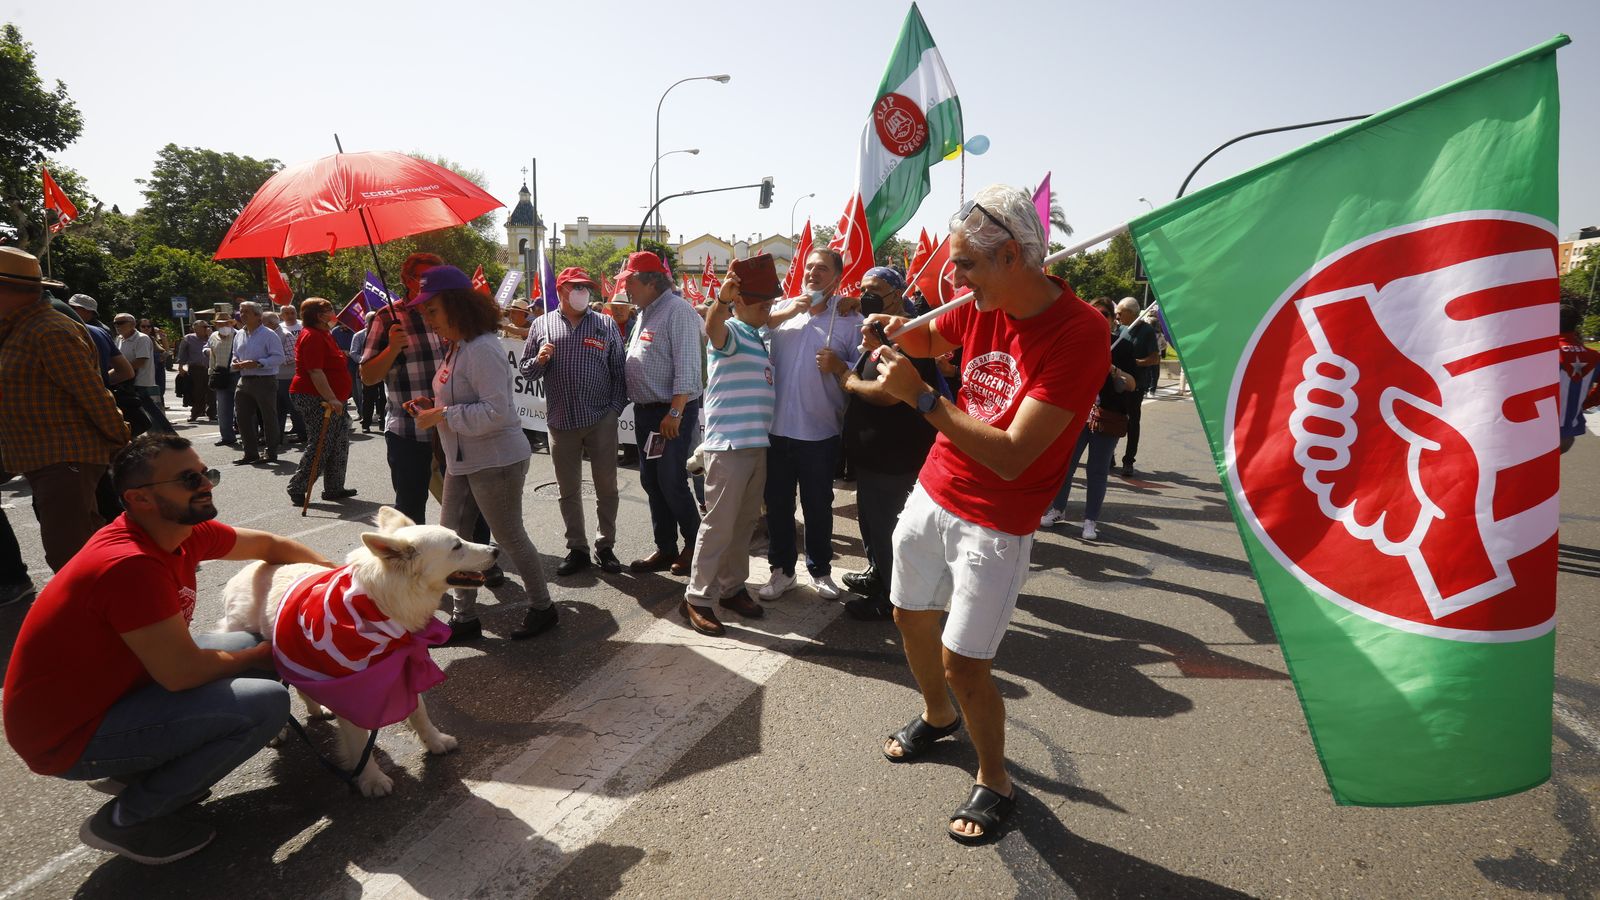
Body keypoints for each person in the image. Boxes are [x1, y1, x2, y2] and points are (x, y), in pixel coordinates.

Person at [865, 186, 1106, 844]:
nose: (956, 278)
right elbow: (924, 336)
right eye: (951, 266)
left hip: (997, 516)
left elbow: (1014, 458)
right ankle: (937, 716)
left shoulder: (1080, 332)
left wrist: (921, 401)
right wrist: (897, 323)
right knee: (907, 614)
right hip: (935, 487)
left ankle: (995, 778)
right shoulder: (977, 302)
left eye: (966, 264)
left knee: (964, 662)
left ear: (1009, 256)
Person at [2, 433, 331, 865]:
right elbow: (181, 674)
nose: (206, 485)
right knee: (266, 697)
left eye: (206, 473)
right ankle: (125, 819)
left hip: (112, 692)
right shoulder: (131, 564)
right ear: (140, 499)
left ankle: (137, 770)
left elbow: (272, 546)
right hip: (65, 736)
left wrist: (333, 583)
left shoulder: (181, 531)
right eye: (188, 478)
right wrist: (273, 653)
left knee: (249, 645)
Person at [409, 266, 558, 643]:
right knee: (453, 540)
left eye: (433, 311)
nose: (428, 319)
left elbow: (498, 413)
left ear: (458, 307)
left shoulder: (484, 349)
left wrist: (443, 414)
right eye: (425, 312)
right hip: (461, 460)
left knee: (509, 537)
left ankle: (543, 607)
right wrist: (435, 404)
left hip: (496, 460)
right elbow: (461, 399)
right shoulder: (457, 347)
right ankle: (465, 618)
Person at [820, 266, 940, 621]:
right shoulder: (880, 328)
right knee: (871, 521)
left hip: (895, 452)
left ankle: (890, 598)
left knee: (888, 526)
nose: (867, 294)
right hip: (870, 452)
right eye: (863, 288)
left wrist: (846, 377)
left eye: (876, 289)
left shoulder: (911, 334)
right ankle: (878, 574)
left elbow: (890, 394)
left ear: (897, 293)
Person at [0, 248, 131, 572]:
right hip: (48, 458)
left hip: (66, 459)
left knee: (70, 555)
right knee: (79, 548)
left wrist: (123, 444)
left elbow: (93, 396)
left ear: (8, 291)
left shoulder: (49, 330)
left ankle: (105, 615)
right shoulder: (21, 328)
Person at [757, 247, 864, 601]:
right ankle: (782, 570)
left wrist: (838, 365)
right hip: (776, 431)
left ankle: (820, 569)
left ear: (837, 277)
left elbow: (858, 377)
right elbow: (750, 322)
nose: (813, 273)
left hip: (820, 433)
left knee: (818, 506)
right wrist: (786, 309)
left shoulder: (849, 321)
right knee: (778, 505)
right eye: (809, 267)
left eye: (822, 268)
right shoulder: (782, 313)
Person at [676, 271, 775, 635]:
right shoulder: (731, 330)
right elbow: (712, 327)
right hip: (729, 446)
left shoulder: (758, 335)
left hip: (754, 445)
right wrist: (720, 301)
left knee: (744, 523)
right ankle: (697, 598)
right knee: (718, 525)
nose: (769, 306)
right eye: (762, 301)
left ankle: (732, 588)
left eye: (770, 301)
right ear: (741, 302)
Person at [519, 267, 627, 576]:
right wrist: (539, 359)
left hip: (600, 419)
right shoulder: (542, 325)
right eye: (577, 287)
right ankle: (577, 548)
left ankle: (605, 546)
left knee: (607, 487)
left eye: (586, 287)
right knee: (568, 490)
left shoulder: (605, 324)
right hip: (560, 421)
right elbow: (527, 371)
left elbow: (619, 373)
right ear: (562, 290)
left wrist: (613, 411)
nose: (583, 292)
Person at [616, 251, 704, 575]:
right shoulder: (644, 313)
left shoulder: (677, 310)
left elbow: (688, 367)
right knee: (652, 481)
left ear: (652, 281)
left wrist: (676, 412)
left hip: (671, 413)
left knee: (671, 481)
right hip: (647, 414)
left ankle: (694, 545)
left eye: (630, 280)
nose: (625, 287)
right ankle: (665, 548)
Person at [1040, 297, 1142, 539]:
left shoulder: (1123, 346)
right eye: (1093, 312)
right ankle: (1058, 509)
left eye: (1105, 313)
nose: (1099, 316)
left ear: (1112, 319)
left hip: (1107, 418)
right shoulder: (1078, 342)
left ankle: (1090, 521)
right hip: (1076, 416)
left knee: (1097, 471)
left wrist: (1113, 369)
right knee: (1065, 466)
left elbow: (1132, 383)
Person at [361, 253, 446, 523]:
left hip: (450, 426)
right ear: (405, 279)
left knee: (465, 506)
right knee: (410, 511)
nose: (428, 283)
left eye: (435, 277)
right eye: (421, 277)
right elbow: (368, 376)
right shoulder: (387, 318)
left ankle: (470, 561)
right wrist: (392, 348)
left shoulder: (447, 314)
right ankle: (415, 565)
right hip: (408, 433)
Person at [285, 298, 356, 506]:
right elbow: (315, 371)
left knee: (339, 440)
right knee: (321, 442)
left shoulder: (325, 334)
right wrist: (331, 397)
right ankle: (298, 486)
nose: (333, 313)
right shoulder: (312, 336)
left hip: (332, 398)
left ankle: (334, 487)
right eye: (329, 310)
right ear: (318, 315)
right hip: (315, 397)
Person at [229, 302, 283, 465]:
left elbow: (279, 357)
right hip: (244, 380)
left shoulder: (269, 334)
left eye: (247, 312)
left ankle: (271, 452)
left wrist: (258, 363)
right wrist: (236, 362)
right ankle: (250, 453)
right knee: (242, 418)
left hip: (264, 380)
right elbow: (234, 355)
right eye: (241, 311)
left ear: (258, 316)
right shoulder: (239, 334)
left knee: (268, 418)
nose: (242, 315)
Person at [1116, 296, 1161, 477]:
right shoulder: (1120, 329)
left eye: (1121, 312)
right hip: (1117, 381)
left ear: (1132, 313)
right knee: (1112, 417)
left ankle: (1128, 461)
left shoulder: (1147, 331)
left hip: (1136, 384)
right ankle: (1108, 455)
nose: (1117, 315)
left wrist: (1135, 363)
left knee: (1132, 422)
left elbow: (1155, 358)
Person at [113, 312, 175, 434]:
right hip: (125, 380)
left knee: (149, 409)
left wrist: (120, 371)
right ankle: (161, 436)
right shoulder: (119, 339)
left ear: (132, 324)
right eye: (115, 323)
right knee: (141, 410)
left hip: (140, 381)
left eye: (120, 323)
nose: (117, 325)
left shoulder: (142, 338)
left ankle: (169, 435)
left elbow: (141, 361)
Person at [1559, 300, 1600, 454]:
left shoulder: (1545, 354)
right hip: (1568, 433)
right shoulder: (1594, 356)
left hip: (1536, 429)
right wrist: (1583, 404)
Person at [268, 309, 305, 446]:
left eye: (264, 323)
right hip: (274, 377)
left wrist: (267, 361)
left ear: (271, 323)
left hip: (288, 377)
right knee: (278, 410)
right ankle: (277, 437)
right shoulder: (270, 334)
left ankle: (303, 434)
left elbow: (291, 357)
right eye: (286, 313)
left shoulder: (285, 334)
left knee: (294, 408)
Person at [207, 311, 240, 447]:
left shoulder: (239, 335)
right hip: (220, 375)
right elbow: (212, 356)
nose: (224, 325)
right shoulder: (213, 336)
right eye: (220, 323)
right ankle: (227, 436)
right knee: (223, 409)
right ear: (216, 325)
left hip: (238, 374)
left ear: (231, 323)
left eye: (226, 323)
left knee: (241, 409)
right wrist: (211, 372)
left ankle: (249, 436)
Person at [349, 311, 387, 432]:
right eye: (371, 321)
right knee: (368, 397)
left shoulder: (384, 334)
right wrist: (364, 361)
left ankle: (382, 423)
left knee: (383, 398)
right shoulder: (359, 336)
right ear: (366, 322)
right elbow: (353, 353)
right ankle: (366, 424)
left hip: (382, 370)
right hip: (367, 370)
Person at [175, 318, 215, 422]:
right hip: (196, 369)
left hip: (211, 368)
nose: (207, 328)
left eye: (208, 326)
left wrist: (210, 335)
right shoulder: (188, 338)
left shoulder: (213, 337)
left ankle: (212, 413)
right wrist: (181, 367)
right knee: (197, 392)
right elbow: (182, 353)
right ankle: (195, 413)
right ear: (195, 328)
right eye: (204, 327)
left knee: (212, 392)